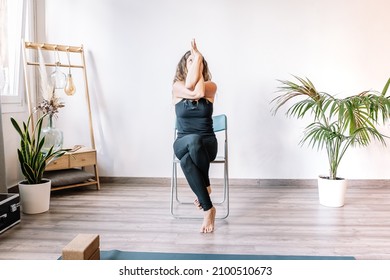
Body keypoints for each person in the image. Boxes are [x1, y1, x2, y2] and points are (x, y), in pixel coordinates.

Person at [172, 39, 218, 233]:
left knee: (186, 162)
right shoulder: (176, 86)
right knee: (191, 140)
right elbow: (194, 88)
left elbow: (199, 89)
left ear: (202, 66)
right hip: (182, 141)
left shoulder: (211, 86)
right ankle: (206, 187)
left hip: (207, 143)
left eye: (197, 60)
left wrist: (196, 61)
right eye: (190, 60)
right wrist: (196, 58)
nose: (193, 62)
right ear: (184, 65)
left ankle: (208, 209)